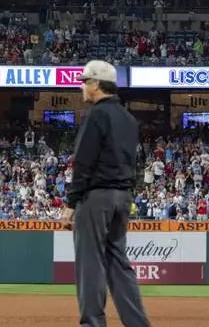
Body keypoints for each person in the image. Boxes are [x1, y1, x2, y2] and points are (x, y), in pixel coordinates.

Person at [62, 60, 151, 327]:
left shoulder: (96, 115)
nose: (82, 87)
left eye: (84, 82)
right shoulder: (129, 118)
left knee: (90, 263)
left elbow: (83, 162)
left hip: (97, 197)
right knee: (119, 263)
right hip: (122, 197)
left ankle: (93, 323)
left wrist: (71, 202)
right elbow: (136, 162)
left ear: (96, 84)